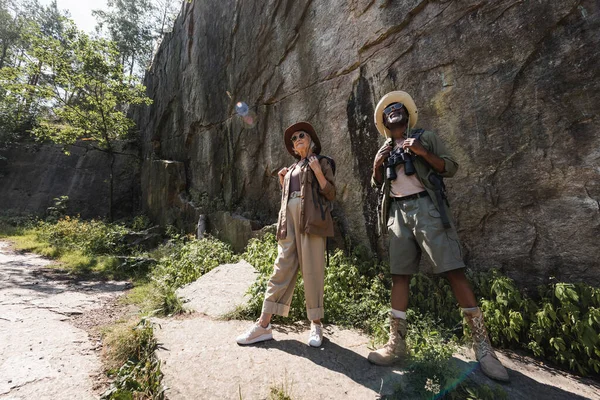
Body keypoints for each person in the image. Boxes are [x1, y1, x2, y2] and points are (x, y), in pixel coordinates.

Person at [367, 91, 509, 382]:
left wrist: (421, 152)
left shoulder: (425, 137)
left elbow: (450, 167)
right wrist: (377, 166)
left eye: (398, 107)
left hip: (427, 208)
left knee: (453, 270)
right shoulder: (383, 148)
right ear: (384, 121)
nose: (394, 111)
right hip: (397, 214)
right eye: (388, 110)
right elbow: (377, 183)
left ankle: (483, 348)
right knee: (399, 275)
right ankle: (397, 343)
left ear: (407, 114)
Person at [236, 121, 336, 347]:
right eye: (293, 139)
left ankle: (316, 325)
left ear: (311, 140)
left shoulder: (323, 162)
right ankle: (263, 325)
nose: (297, 139)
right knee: (281, 268)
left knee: (313, 271)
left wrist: (318, 172)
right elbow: (289, 200)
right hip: (289, 225)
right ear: (292, 149)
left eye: (302, 135)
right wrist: (284, 183)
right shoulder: (290, 170)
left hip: (312, 224)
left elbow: (330, 194)